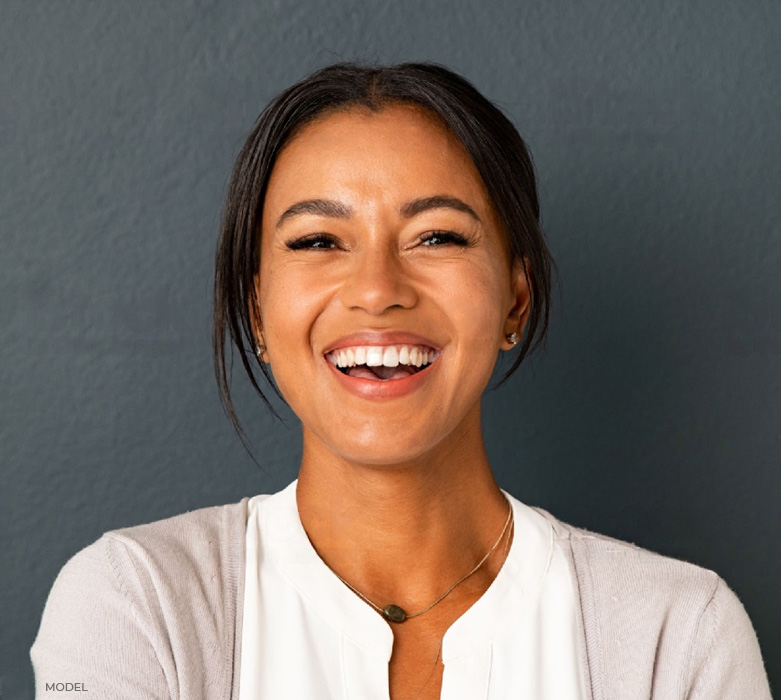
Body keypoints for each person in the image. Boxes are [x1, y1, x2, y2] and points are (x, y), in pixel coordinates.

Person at [31, 62, 771, 700]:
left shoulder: (676, 634)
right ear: (256, 309)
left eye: (437, 237)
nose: (377, 289)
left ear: (515, 298)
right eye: (318, 240)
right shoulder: (132, 602)